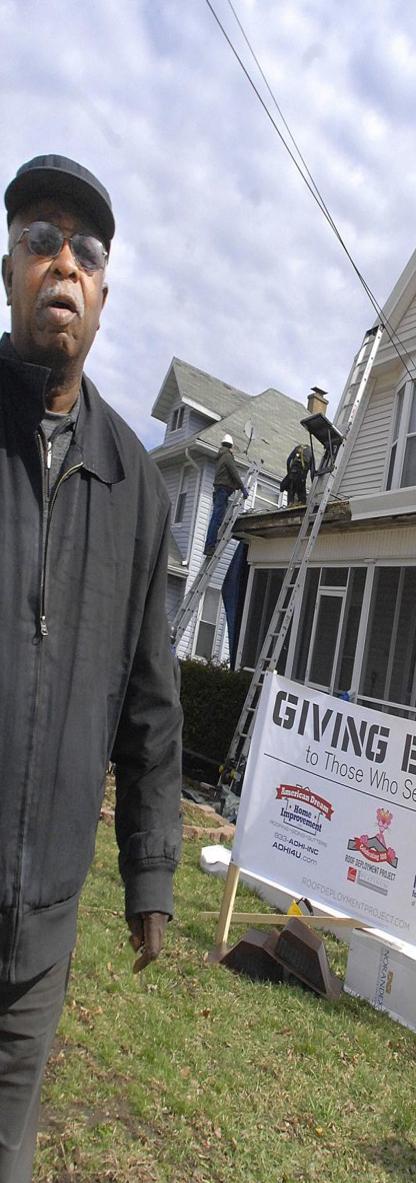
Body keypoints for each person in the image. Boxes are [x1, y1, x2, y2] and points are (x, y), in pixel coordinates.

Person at [1, 154, 183, 1182]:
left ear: (104, 295)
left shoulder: (138, 488)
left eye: (86, 251)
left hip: (43, 925)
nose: (62, 262)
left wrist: (149, 871)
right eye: (39, 240)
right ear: (10, 271)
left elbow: (152, 703)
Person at [204, 432, 248, 556]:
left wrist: (235, 486)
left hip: (219, 490)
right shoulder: (227, 456)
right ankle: (210, 546)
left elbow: (226, 475)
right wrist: (242, 488)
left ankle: (210, 545)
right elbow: (234, 472)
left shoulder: (221, 456)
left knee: (217, 518)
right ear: (230, 446)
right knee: (217, 519)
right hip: (223, 491)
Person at [280, 441, 315, 507]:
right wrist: (314, 485)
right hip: (301, 477)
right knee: (302, 498)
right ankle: (300, 504)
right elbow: (312, 471)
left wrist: (289, 473)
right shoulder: (311, 453)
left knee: (291, 490)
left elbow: (288, 461)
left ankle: (290, 503)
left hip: (292, 474)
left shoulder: (297, 448)